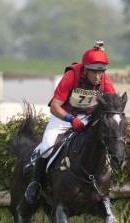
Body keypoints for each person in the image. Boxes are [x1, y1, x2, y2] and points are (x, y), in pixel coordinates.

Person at [19, 40, 116, 212]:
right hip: (64, 117)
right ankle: (35, 185)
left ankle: (104, 186)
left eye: (101, 72)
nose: (98, 76)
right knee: (47, 147)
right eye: (94, 72)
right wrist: (71, 119)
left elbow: (112, 103)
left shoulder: (104, 80)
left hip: (87, 118)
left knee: (101, 143)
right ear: (85, 69)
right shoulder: (71, 76)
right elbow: (55, 107)